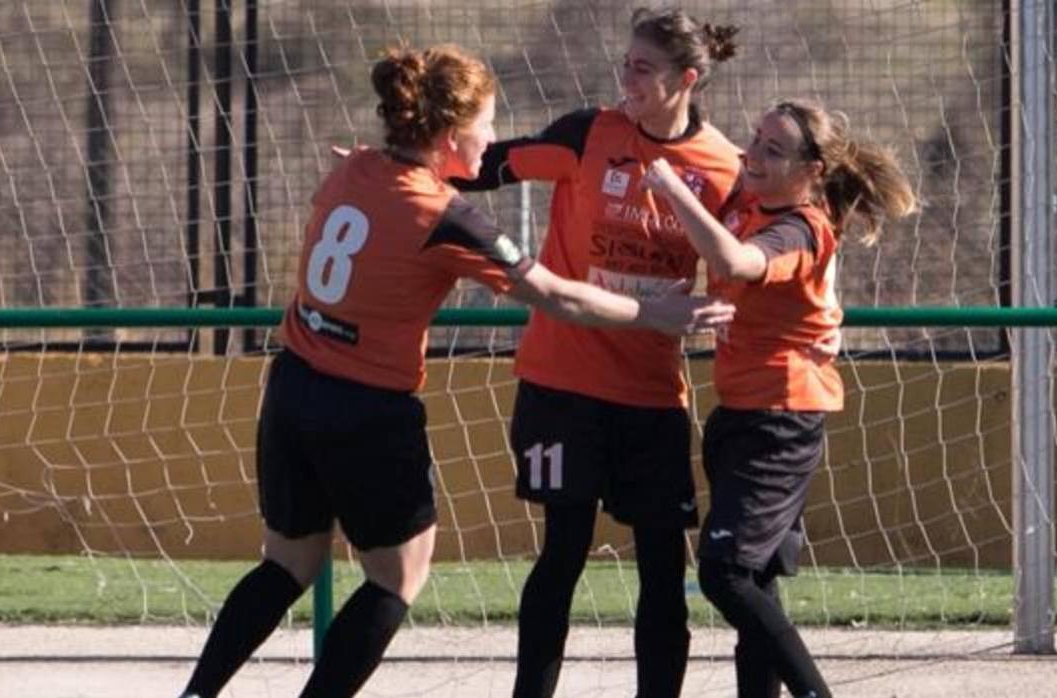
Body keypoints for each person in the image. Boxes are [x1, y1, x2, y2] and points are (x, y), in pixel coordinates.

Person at [177, 44, 733, 698]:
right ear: (449, 135)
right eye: (486, 125)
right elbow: (556, 294)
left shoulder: (356, 168)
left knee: (289, 562)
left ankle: (196, 693)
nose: (494, 137)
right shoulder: (446, 216)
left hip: (293, 388)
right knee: (396, 577)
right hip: (366, 410)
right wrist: (654, 313)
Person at [450, 8, 743, 697]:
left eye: (642, 69)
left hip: (650, 394)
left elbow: (755, 258)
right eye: (625, 65)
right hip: (562, 384)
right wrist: (391, 168)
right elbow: (479, 168)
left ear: (687, 80)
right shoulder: (587, 134)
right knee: (563, 553)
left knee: (663, 566)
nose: (627, 80)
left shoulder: (725, 169)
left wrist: (819, 321)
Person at [641, 98, 918, 698]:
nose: (753, 155)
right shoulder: (749, 199)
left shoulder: (801, 227)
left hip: (782, 419)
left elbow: (734, 261)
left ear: (811, 170)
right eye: (755, 140)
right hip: (741, 414)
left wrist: (668, 185)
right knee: (757, 578)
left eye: (773, 149)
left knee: (725, 572)